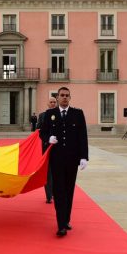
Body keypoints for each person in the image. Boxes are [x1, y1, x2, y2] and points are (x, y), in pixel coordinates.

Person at [39, 86, 88, 237]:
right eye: (62, 95)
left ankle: (66, 219)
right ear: (58, 97)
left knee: (69, 190)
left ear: (70, 98)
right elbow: (42, 132)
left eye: (67, 95)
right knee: (59, 191)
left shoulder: (77, 114)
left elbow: (82, 136)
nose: (65, 98)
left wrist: (84, 157)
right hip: (57, 160)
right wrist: (48, 138)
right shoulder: (50, 114)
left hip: (72, 160)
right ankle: (61, 225)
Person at [37, 96, 57, 203]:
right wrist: (48, 138)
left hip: (58, 148)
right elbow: (39, 130)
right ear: (47, 104)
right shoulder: (42, 115)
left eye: (54, 102)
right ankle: (49, 196)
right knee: (47, 172)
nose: (53, 103)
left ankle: (55, 193)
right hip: (46, 148)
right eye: (51, 102)